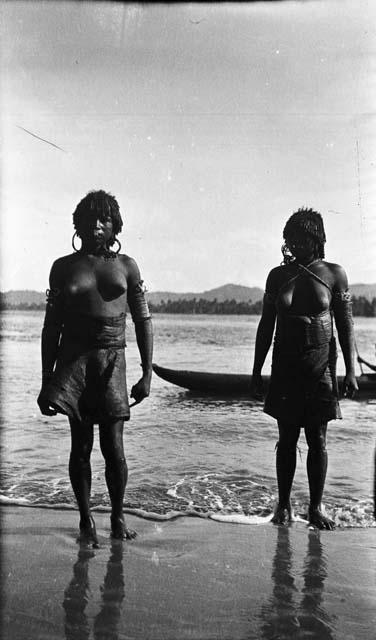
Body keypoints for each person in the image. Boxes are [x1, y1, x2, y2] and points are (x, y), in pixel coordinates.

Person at [37, 190, 153, 545]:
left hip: (112, 360)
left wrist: (147, 373)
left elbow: (143, 320)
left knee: (114, 446)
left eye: (104, 219)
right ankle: (86, 520)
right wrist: (46, 380)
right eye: (90, 219)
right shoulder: (63, 267)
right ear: (78, 224)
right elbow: (51, 326)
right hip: (73, 362)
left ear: (115, 225)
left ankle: (118, 517)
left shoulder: (127, 267)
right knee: (80, 445)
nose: (96, 225)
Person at [251, 208, 358, 530]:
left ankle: (315, 507)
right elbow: (266, 325)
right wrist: (256, 371)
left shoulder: (334, 274)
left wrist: (351, 371)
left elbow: (346, 325)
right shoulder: (278, 276)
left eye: (302, 238)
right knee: (286, 438)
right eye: (291, 238)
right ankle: (282, 505)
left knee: (318, 438)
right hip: (285, 364)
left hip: (322, 366)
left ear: (317, 240)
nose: (295, 244)